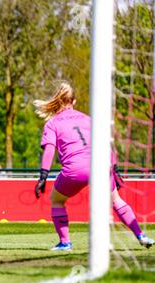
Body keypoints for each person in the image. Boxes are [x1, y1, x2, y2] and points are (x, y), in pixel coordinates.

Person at [33, 82, 153, 251]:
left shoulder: (52, 124)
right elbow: (105, 143)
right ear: (73, 101)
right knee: (116, 200)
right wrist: (115, 168)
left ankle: (65, 242)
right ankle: (141, 235)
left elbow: (49, 150)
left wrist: (43, 176)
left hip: (75, 170)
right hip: (101, 166)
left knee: (57, 200)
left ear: (56, 101)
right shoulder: (88, 119)